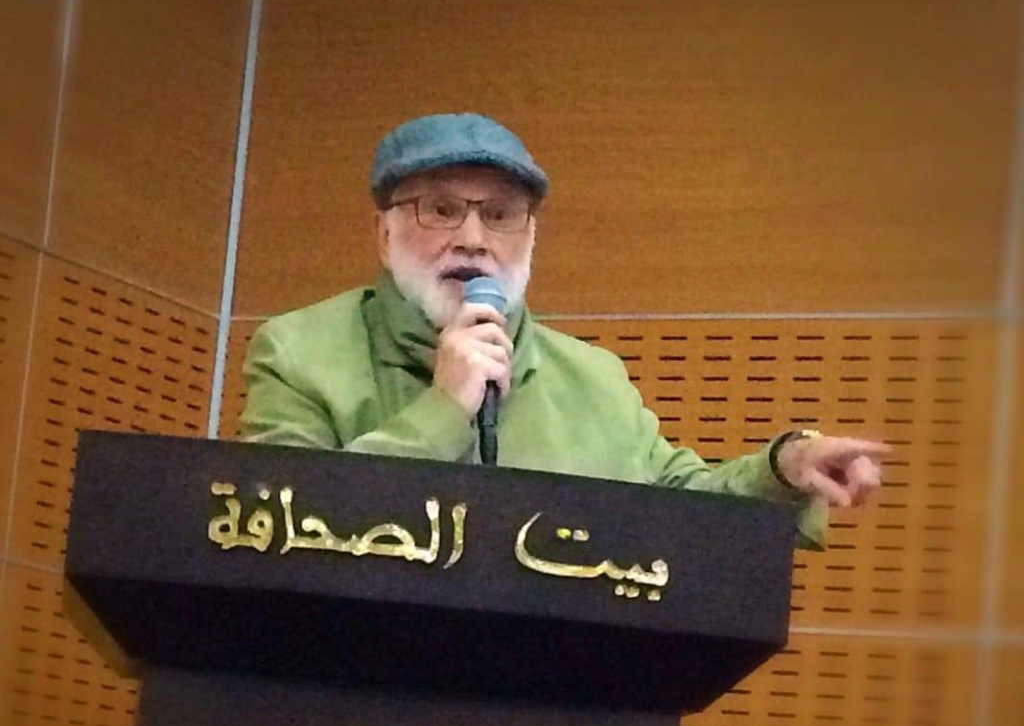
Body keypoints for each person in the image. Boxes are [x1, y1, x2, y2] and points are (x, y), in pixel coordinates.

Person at [240, 113, 888, 550]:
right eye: (441, 209)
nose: (473, 239)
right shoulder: (298, 352)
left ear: (530, 237)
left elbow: (684, 507)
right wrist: (442, 410)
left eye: (501, 214)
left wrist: (783, 467)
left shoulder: (593, 379)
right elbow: (277, 529)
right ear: (383, 234)